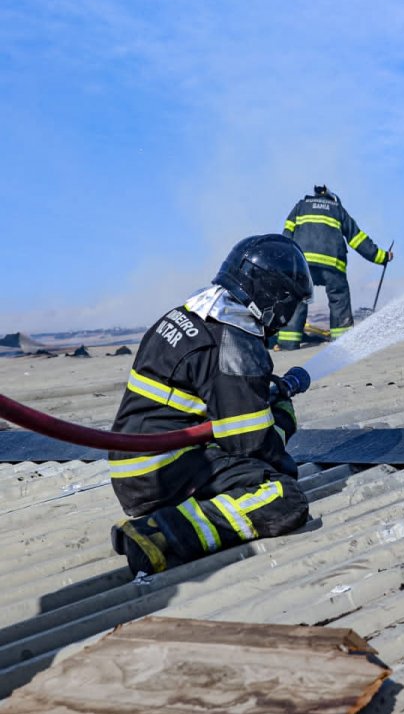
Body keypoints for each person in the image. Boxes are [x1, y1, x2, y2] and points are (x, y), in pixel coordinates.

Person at [108, 234, 314, 576]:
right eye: (290, 303)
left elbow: (209, 396)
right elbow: (252, 447)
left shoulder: (192, 315)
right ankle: (160, 534)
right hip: (162, 472)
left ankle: (170, 520)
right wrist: (283, 419)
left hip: (137, 467)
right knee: (283, 498)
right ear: (273, 295)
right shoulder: (235, 344)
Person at [278, 184, 392, 348]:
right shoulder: (337, 209)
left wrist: (286, 263)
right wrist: (381, 257)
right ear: (331, 197)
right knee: (339, 298)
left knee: (297, 298)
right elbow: (357, 239)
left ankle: (288, 343)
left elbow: (287, 235)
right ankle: (343, 342)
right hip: (332, 266)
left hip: (303, 264)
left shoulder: (300, 207)